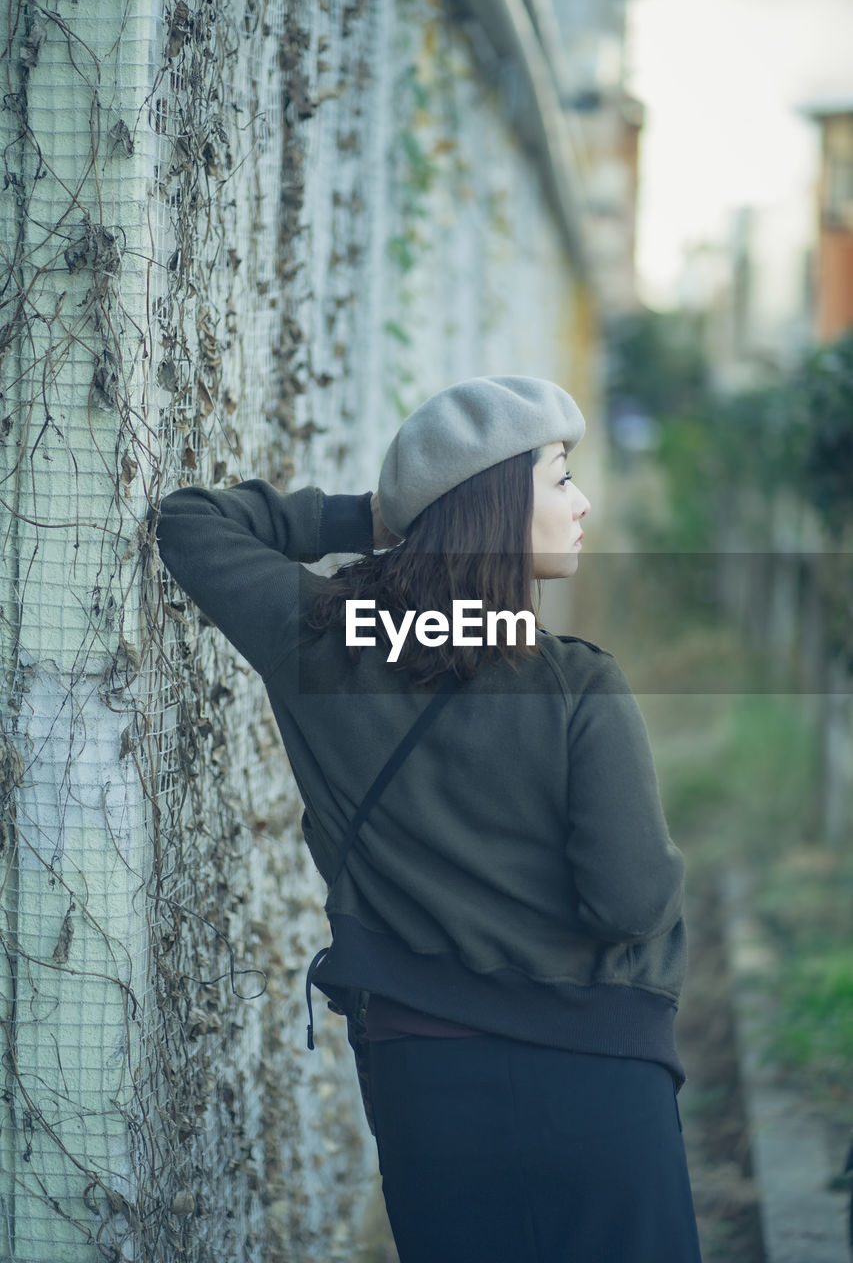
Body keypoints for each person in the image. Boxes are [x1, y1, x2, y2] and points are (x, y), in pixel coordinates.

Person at [151, 375, 702, 1263]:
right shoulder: (576, 685)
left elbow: (188, 523)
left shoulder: (327, 642)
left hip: (424, 1084)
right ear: (490, 505)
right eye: (559, 478)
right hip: (596, 1082)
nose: (582, 501)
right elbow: (627, 904)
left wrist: (376, 515)